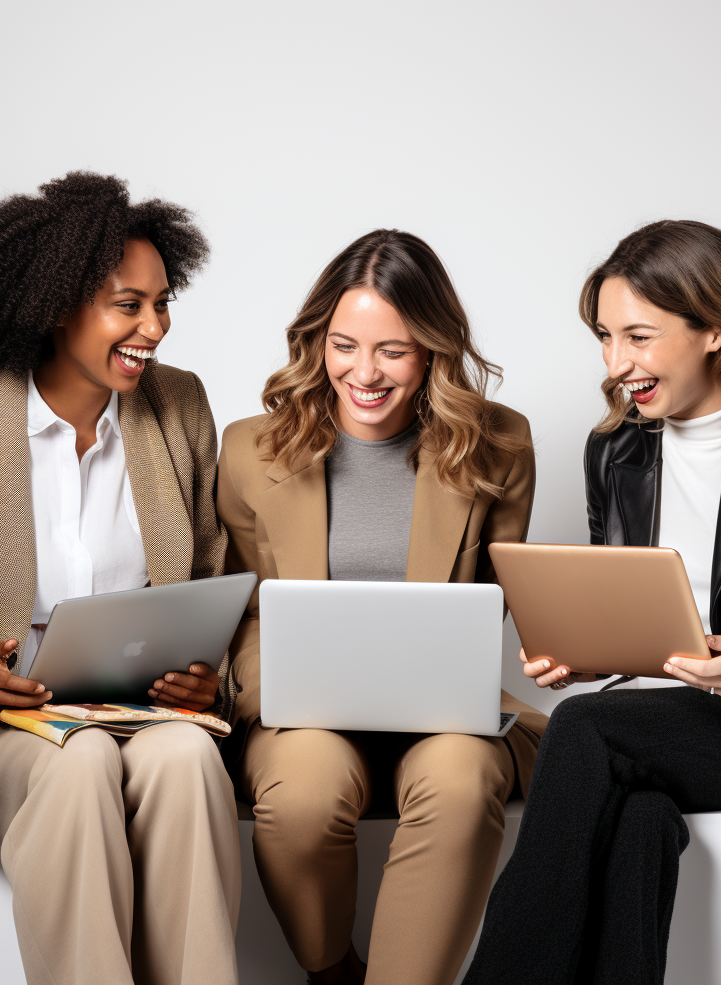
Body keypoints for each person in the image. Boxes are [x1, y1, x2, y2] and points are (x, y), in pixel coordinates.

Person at [463, 219, 721, 985]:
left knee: (584, 730)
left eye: (639, 337)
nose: (617, 364)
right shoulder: (615, 449)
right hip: (652, 717)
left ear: (716, 330)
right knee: (640, 821)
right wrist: (582, 653)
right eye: (605, 338)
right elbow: (623, 603)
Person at [0, 172, 241, 985]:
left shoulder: (179, 407)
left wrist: (211, 680)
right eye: (127, 304)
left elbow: (213, 581)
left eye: (163, 302)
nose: (155, 328)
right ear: (58, 302)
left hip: (126, 714)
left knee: (188, 763)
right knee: (82, 765)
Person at [216, 228, 548, 985]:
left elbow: (486, 607)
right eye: (343, 345)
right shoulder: (246, 450)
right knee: (301, 791)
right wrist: (293, 694)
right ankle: (331, 972)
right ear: (317, 343)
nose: (363, 373)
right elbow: (242, 611)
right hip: (300, 714)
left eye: (392, 351)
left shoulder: (500, 445)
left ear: (432, 349)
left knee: (463, 782)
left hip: (439, 711)